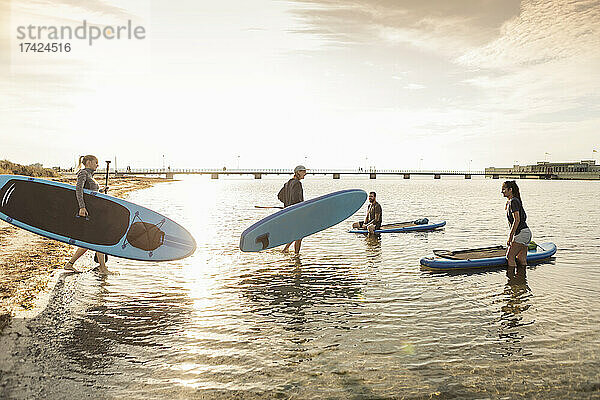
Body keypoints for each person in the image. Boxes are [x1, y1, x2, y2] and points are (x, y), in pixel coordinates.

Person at [64, 155, 111, 274]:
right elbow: (78, 190)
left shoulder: (89, 175)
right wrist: (82, 207)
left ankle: (70, 264)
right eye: (96, 162)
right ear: (89, 162)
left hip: (93, 211)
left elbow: (89, 193)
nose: (97, 165)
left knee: (90, 241)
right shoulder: (83, 173)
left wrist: (101, 191)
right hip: (88, 212)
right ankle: (103, 268)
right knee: (97, 239)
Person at [502, 180, 532, 270]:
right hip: (526, 233)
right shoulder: (514, 201)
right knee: (521, 259)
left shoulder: (513, 201)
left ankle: (512, 281)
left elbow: (517, 219)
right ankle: (522, 281)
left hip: (521, 233)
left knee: (510, 257)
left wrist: (510, 236)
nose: (502, 191)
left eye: (504, 189)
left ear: (510, 190)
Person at [278, 165, 307, 253]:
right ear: (298, 172)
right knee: (299, 235)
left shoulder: (287, 183)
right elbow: (296, 199)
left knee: (296, 233)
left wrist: (286, 204)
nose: (305, 174)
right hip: (296, 212)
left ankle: (285, 250)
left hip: (289, 212)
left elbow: (279, 196)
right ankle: (296, 255)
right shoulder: (297, 183)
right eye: (303, 172)